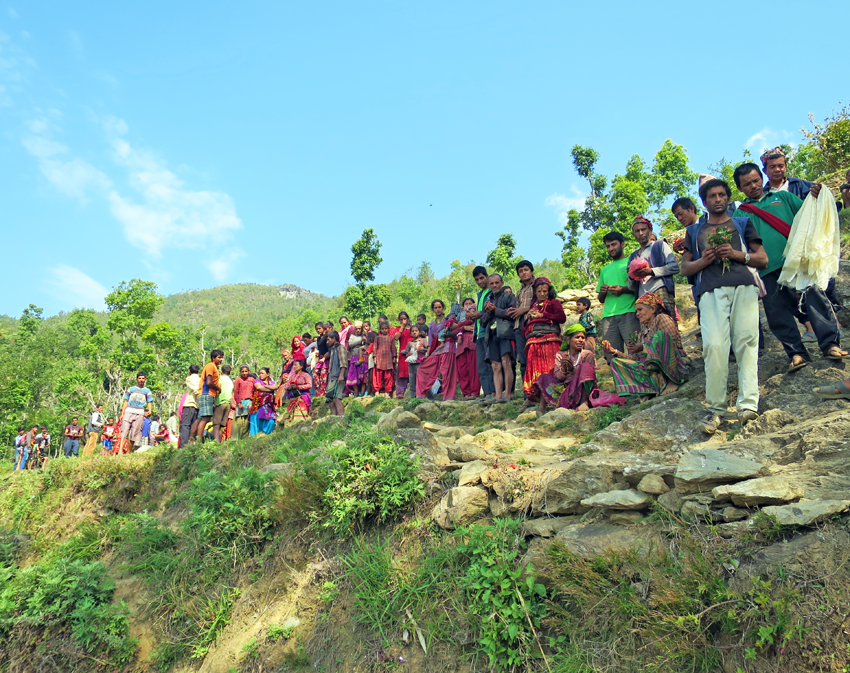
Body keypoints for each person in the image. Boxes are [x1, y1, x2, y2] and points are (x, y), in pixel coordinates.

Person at [732, 162, 845, 370]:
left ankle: (830, 345)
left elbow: (808, 215)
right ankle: (796, 353)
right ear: (740, 189)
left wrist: (818, 196)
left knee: (816, 300)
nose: (754, 186)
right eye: (747, 184)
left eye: (756, 180)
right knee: (777, 314)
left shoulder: (782, 197)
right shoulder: (738, 216)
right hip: (766, 270)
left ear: (762, 179)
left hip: (798, 262)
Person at [680, 178, 767, 433]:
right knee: (714, 346)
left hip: (743, 285)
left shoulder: (741, 223)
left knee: (746, 341)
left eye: (721, 195)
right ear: (705, 202)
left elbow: (762, 258)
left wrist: (737, 255)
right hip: (709, 290)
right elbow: (685, 268)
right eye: (712, 196)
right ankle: (715, 409)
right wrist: (703, 261)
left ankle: (748, 405)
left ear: (728, 198)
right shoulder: (695, 231)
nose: (717, 199)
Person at [605, 292, 689, 399]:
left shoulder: (662, 318)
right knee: (616, 362)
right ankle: (649, 389)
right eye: (636, 311)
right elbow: (637, 359)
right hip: (652, 368)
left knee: (660, 336)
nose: (637, 314)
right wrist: (615, 352)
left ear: (653, 309)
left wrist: (644, 346)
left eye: (640, 310)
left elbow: (669, 341)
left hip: (672, 362)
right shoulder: (642, 333)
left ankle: (673, 379)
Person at [532, 324, 598, 413]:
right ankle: (542, 408)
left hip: (582, 389)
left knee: (585, 367)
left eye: (583, 338)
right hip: (566, 388)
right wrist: (564, 369)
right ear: (568, 340)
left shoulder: (587, 354)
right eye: (577, 337)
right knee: (544, 377)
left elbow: (590, 376)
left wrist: (572, 369)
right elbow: (558, 377)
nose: (581, 340)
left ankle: (584, 402)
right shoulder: (561, 355)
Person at [521, 278, 566, 404]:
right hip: (534, 342)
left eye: (544, 291)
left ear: (549, 291)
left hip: (550, 341)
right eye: (539, 291)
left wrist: (544, 315)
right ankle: (537, 398)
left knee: (550, 369)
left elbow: (561, 318)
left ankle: (550, 400)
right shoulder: (533, 306)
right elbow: (525, 328)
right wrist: (529, 318)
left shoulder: (554, 303)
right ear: (535, 292)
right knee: (536, 370)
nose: (542, 294)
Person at [597, 231, 639, 363]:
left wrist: (623, 290)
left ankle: (640, 383)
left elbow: (639, 287)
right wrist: (603, 292)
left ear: (622, 244)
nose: (611, 249)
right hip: (608, 317)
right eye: (608, 246)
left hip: (630, 313)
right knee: (612, 356)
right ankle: (620, 383)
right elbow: (600, 299)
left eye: (613, 244)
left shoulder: (631, 262)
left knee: (636, 351)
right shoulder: (604, 269)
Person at [627, 216, 680, 317]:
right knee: (648, 330)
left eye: (643, 229)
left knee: (666, 327)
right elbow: (631, 287)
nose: (641, 233)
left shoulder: (660, 245)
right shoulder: (633, 256)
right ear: (634, 234)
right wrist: (631, 275)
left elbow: (674, 266)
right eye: (637, 231)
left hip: (660, 290)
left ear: (650, 230)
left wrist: (651, 271)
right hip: (642, 296)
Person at [480, 274, 517, 403]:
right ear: (489, 286)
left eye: (497, 283)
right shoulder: (487, 300)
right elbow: (482, 322)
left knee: (506, 362)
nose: (494, 285)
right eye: (492, 283)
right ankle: (497, 396)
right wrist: (489, 312)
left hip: (506, 333)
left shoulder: (509, 296)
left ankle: (507, 394)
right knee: (495, 365)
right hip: (491, 334)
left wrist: (495, 310)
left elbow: (511, 314)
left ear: (501, 283)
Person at [416, 300, 460, 400]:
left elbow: (456, 331)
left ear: (443, 308)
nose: (438, 309)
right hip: (437, 348)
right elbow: (431, 341)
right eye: (435, 307)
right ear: (433, 310)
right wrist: (427, 354)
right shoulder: (431, 324)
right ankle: (421, 395)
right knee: (422, 368)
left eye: (439, 307)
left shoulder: (448, 319)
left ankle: (448, 396)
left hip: (448, 345)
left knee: (446, 371)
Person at [507, 260, 536, 395]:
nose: (523, 273)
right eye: (520, 271)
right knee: (523, 361)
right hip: (519, 327)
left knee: (535, 359)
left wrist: (522, 310)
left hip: (534, 326)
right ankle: (527, 394)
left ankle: (538, 392)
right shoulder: (520, 292)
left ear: (531, 271)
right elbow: (517, 309)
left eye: (526, 269)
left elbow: (541, 304)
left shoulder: (538, 286)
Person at [467, 265, 495, 403]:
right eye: (477, 279)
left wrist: (480, 314)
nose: (479, 281)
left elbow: (494, 310)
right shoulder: (480, 295)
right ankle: (487, 393)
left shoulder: (492, 291)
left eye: (481, 278)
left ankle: (495, 392)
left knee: (491, 364)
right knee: (481, 366)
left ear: (487, 276)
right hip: (478, 334)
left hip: (489, 332)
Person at [118, 372, 154, 454]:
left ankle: (128, 452)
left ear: (145, 380)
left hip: (140, 413)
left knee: (134, 433)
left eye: (143, 378)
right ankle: (120, 450)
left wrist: (150, 411)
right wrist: (122, 413)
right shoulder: (131, 389)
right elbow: (126, 401)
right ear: (137, 379)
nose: (141, 380)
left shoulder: (147, 391)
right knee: (125, 431)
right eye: (140, 378)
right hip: (129, 411)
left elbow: (149, 402)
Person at [194, 350, 224, 442]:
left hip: (207, 394)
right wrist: (218, 388)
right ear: (213, 358)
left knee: (201, 418)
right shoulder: (211, 366)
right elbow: (209, 382)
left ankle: (193, 439)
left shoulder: (214, 367)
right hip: (206, 393)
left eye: (222, 357)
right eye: (219, 357)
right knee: (206, 417)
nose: (221, 359)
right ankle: (199, 440)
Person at [455, 298, 481, 399]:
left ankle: (474, 392)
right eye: (466, 304)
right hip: (461, 347)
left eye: (471, 304)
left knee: (473, 369)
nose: (469, 306)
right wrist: (464, 328)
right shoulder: (459, 317)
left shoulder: (477, 316)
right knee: (462, 370)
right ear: (462, 307)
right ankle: (466, 393)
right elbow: (452, 330)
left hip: (473, 344)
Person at [249, 368, 281, 435]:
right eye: (259, 373)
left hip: (269, 407)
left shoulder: (271, 382)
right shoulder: (257, 381)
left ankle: (266, 435)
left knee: (271, 422)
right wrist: (270, 388)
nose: (260, 375)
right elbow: (259, 388)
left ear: (268, 374)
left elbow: (275, 387)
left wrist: (265, 386)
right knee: (256, 425)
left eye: (262, 373)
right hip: (258, 406)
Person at [325, 330, 350, 416]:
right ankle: (333, 419)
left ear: (334, 338)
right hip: (332, 376)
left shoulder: (340, 348)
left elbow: (343, 363)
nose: (327, 342)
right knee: (330, 400)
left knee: (336, 398)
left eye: (328, 340)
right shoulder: (332, 350)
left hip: (338, 376)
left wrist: (341, 375)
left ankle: (341, 417)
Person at [282, 359, 312, 425]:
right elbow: (286, 385)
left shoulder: (306, 375)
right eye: (293, 365)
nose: (294, 367)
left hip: (302, 397)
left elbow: (309, 385)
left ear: (301, 366)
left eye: (296, 365)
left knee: (300, 413)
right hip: (292, 398)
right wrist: (289, 387)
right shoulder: (292, 376)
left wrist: (298, 387)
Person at [371, 322, 397, 396]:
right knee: (377, 376)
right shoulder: (377, 338)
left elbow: (393, 348)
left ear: (388, 329)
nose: (384, 330)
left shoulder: (391, 338)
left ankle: (387, 392)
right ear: (380, 330)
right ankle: (376, 391)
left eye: (386, 328)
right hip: (379, 358)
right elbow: (375, 348)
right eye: (382, 329)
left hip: (388, 359)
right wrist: (375, 357)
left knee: (388, 376)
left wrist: (394, 357)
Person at [403, 324, 428, 398]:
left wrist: (421, 349)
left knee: (422, 380)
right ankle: (413, 398)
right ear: (410, 333)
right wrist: (408, 354)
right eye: (412, 331)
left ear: (419, 332)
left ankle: (426, 396)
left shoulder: (423, 341)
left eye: (416, 331)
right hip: (411, 364)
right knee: (412, 381)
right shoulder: (410, 343)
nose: (414, 332)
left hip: (420, 363)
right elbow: (406, 354)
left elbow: (428, 349)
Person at [345, 321, 369, 396]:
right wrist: (360, 340)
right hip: (354, 357)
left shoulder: (365, 335)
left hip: (363, 358)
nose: (358, 330)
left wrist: (366, 339)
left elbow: (368, 344)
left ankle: (362, 393)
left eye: (359, 329)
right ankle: (356, 392)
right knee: (353, 375)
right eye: (356, 329)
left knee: (363, 377)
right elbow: (351, 344)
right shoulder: (352, 336)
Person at [180, 364, 201, 447]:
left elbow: (195, 390)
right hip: (197, 406)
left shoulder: (189, 378)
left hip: (190, 404)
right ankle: (192, 446)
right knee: (194, 426)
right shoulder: (200, 380)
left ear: (189, 371)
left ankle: (184, 447)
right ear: (198, 371)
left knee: (185, 426)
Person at [232, 365, 255, 440]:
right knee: (239, 422)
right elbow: (236, 392)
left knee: (247, 421)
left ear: (248, 371)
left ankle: (245, 438)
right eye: (242, 371)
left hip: (250, 402)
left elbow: (255, 390)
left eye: (246, 371)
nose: (244, 373)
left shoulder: (252, 380)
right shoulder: (238, 380)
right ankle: (237, 438)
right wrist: (239, 403)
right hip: (241, 401)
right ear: (240, 372)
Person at [395, 312, 414, 398]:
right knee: (402, 373)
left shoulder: (412, 328)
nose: (403, 321)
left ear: (408, 318)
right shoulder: (398, 329)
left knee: (413, 372)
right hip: (402, 353)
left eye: (405, 319)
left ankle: (415, 393)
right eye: (401, 319)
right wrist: (402, 327)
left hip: (412, 353)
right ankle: (400, 393)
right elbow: (396, 337)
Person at [214, 364, 234, 442]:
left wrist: (214, 401)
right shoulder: (231, 381)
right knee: (222, 425)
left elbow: (218, 389)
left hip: (220, 403)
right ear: (230, 373)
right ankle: (220, 442)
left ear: (221, 371)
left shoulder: (220, 379)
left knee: (216, 424)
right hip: (228, 404)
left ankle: (216, 443)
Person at [313, 323, 329, 398]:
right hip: (320, 358)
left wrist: (325, 357)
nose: (318, 330)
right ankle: (318, 393)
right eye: (316, 329)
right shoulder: (319, 338)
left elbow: (329, 349)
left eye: (319, 328)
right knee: (315, 374)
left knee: (323, 375)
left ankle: (323, 392)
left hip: (326, 358)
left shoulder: (327, 337)